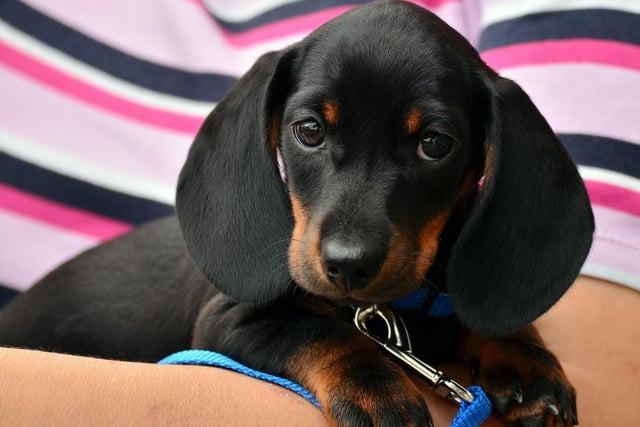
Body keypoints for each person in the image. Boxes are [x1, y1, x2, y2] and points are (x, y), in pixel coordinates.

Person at [1, 1, 638, 425]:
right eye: (313, 132)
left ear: (485, 161)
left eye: (431, 144)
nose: (349, 246)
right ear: (273, 131)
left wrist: (503, 337)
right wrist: (342, 362)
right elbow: (236, 325)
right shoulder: (263, 272)